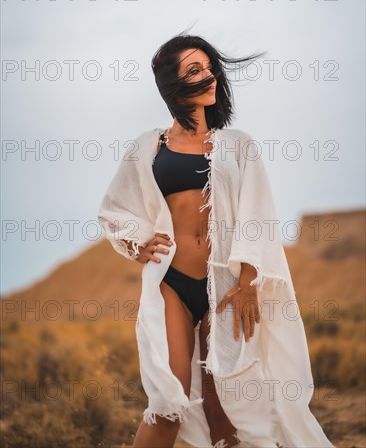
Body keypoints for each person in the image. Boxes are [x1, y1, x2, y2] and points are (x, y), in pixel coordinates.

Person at [98, 34, 335, 448]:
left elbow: (256, 215)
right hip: (172, 283)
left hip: (225, 290)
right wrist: (137, 242)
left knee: (226, 413)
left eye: (209, 68)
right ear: (173, 85)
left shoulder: (238, 146)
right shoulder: (149, 146)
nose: (209, 76)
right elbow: (115, 208)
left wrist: (247, 284)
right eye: (194, 70)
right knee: (167, 402)